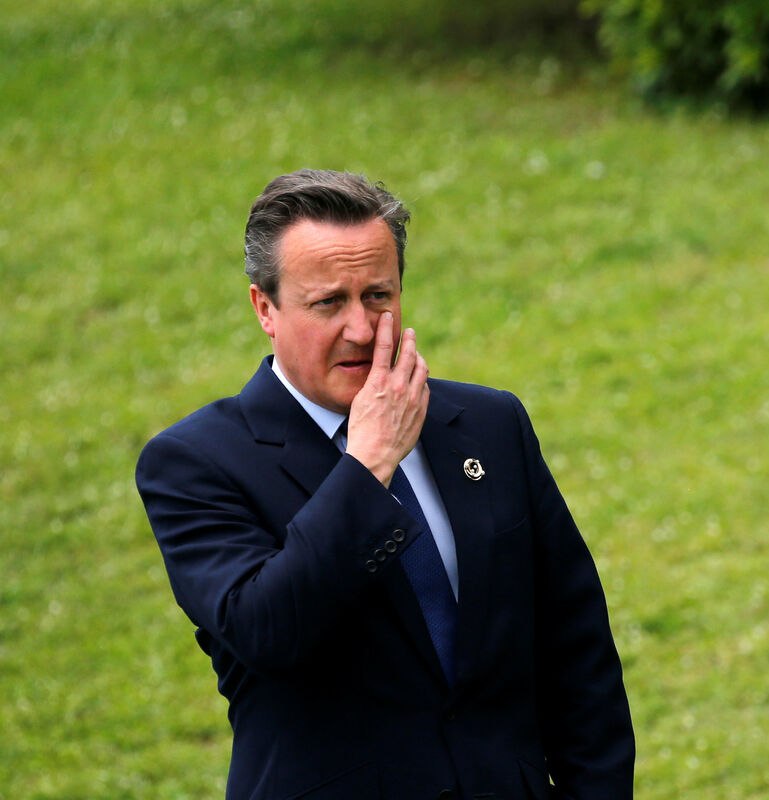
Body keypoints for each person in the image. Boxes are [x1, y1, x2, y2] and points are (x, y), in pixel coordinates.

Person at [135, 169, 635, 800]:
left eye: (378, 295)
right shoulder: (195, 462)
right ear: (265, 308)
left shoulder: (489, 424)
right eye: (328, 303)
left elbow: (576, 647)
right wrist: (368, 463)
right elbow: (269, 632)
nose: (362, 328)